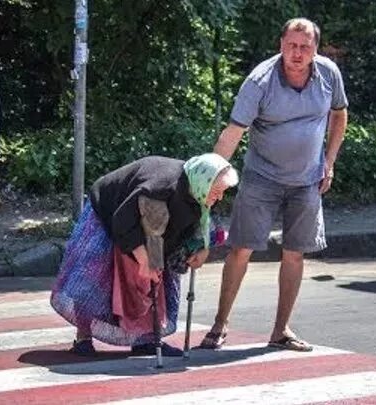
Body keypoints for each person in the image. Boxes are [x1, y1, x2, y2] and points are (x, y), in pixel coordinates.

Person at [200, 18, 348, 352]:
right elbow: (233, 133)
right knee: (241, 249)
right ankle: (219, 325)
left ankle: (280, 330)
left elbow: (340, 114)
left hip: (308, 180)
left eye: (305, 47)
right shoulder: (260, 81)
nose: (297, 53)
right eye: (292, 46)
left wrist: (330, 160)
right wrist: (209, 179)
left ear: (315, 50)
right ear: (281, 44)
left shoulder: (328, 74)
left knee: (295, 254)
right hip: (261, 178)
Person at [50, 153, 238, 356]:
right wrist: (145, 260)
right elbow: (124, 223)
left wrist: (202, 248)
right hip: (111, 210)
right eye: (217, 191)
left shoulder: (200, 188)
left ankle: (146, 339)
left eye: (222, 192)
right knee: (96, 277)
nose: (219, 197)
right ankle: (83, 337)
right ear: (205, 181)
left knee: (156, 277)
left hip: (151, 226)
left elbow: (194, 224)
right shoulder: (161, 187)